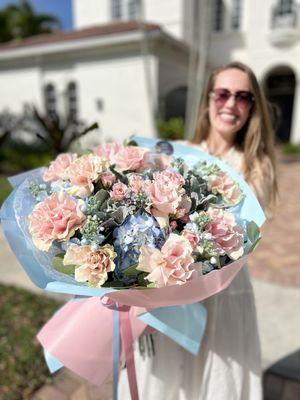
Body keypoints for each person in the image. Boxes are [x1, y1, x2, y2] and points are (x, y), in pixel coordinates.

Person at [118, 61, 278, 400]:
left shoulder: (255, 166)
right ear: (208, 100)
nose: (231, 104)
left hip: (224, 292)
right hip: (170, 290)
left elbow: (236, 237)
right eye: (222, 94)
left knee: (216, 379)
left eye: (243, 97)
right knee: (165, 378)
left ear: (253, 106)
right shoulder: (175, 154)